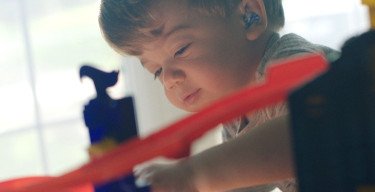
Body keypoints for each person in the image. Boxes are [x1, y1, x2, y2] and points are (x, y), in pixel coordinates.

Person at [98, 0, 339, 191]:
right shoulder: (236, 114)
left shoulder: (291, 61)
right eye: (157, 71)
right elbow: (239, 181)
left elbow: (313, 131)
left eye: (180, 49)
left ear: (249, 17)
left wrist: (190, 177)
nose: (169, 79)